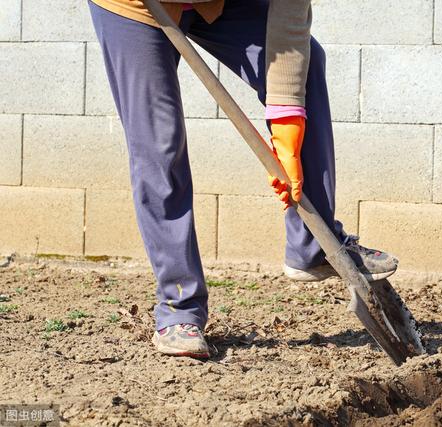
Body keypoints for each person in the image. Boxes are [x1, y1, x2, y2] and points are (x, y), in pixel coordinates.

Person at [88, 0, 399, 359]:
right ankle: (179, 307)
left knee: (305, 67)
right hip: (133, 7)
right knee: (159, 141)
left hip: (220, 3)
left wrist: (287, 123)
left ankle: (314, 245)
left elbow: (289, 12)